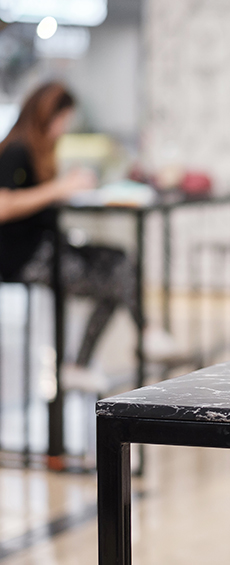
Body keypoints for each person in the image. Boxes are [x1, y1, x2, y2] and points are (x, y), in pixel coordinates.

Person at [0, 82, 175, 390]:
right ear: (47, 116)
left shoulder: (41, 152)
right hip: (24, 257)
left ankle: (96, 356)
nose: (63, 129)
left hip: (49, 246)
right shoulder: (16, 151)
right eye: (62, 120)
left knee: (120, 262)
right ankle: (140, 333)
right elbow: (4, 205)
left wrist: (69, 189)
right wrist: (58, 189)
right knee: (115, 277)